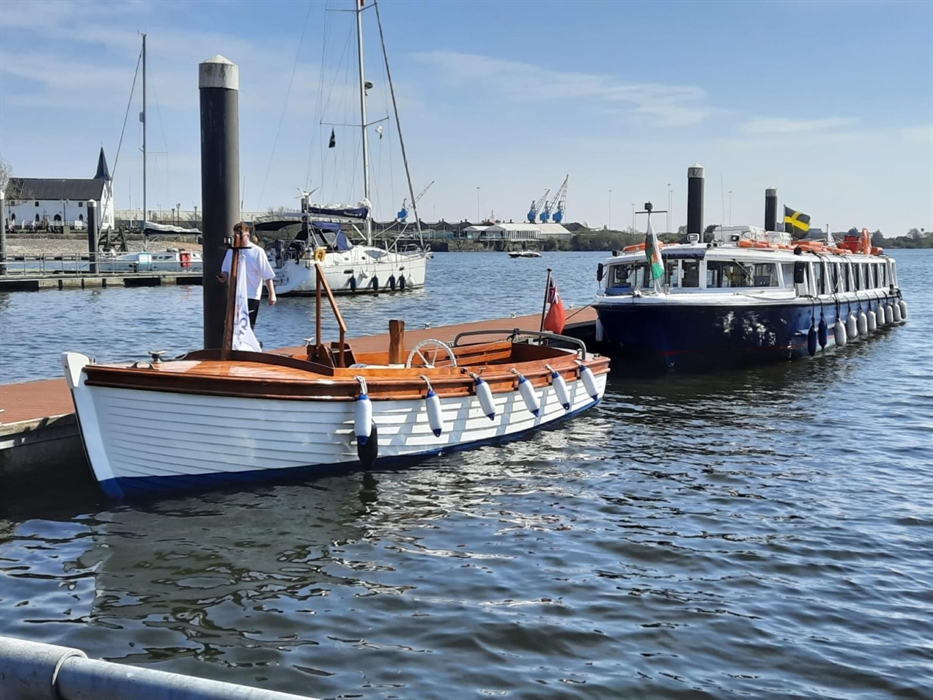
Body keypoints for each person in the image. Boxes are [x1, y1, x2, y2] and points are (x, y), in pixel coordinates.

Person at [218, 222, 277, 328]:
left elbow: (267, 275)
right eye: (235, 236)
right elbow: (225, 270)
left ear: (248, 236)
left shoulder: (257, 252)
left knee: (248, 325)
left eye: (240, 236)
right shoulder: (231, 251)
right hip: (234, 294)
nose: (238, 239)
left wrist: (271, 294)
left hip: (251, 294)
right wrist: (223, 277)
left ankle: (249, 344)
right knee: (232, 325)